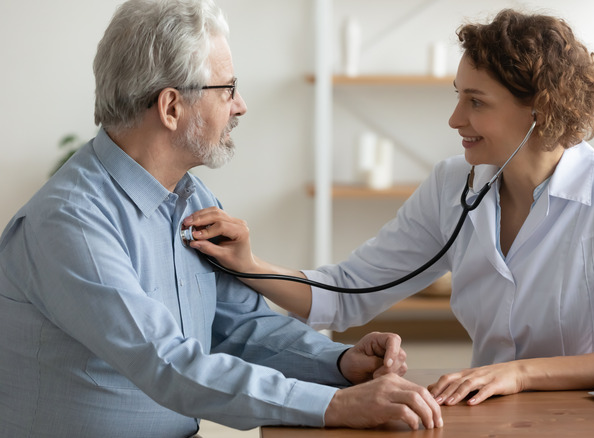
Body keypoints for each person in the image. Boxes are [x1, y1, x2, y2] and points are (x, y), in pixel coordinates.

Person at [185, 9, 594, 407]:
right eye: (456, 97)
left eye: (476, 101)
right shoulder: (453, 186)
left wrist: (521, 373)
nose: (455, 118)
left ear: (540, 109)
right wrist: (248, 266)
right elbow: (348, 293)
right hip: (492, 416)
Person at [0, 0, 444, 436]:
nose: (241, 105)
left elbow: (241, 327)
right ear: (171, 107)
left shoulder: (192, 201)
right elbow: (165, 362)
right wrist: (334, 405)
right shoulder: (70, 221)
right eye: (227, 89)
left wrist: (339, 364)